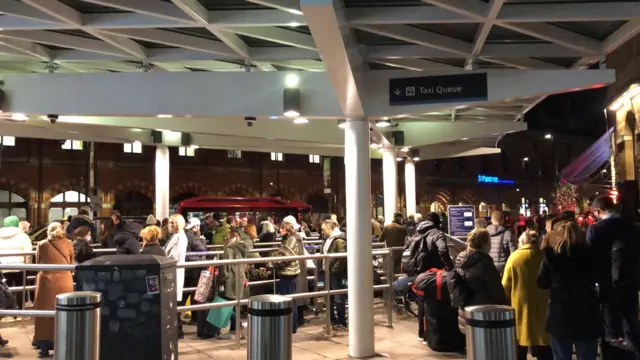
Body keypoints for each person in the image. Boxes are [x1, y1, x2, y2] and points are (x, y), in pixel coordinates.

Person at [538, 220, 601, 360]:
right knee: (587, 355)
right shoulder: (590, 254)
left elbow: (542, 282)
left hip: (560, 313)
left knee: (561, 356)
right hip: (587, 312)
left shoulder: (552, 256)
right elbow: (598, 276)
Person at [587, 195, 640, 352]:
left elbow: (591, 258)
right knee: (631, 325)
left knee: (612, 333)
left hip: (607, 285)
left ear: (597, 211)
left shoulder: (596, 229)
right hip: (630, 282)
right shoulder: (632, 226)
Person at [502, 230, 552, 360]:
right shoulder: (545, 256)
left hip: (520, 307)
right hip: (544, 306)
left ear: (523, 242)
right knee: (544, 344)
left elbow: (506, 285)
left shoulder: (514, 258)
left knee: (520, 344)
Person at [453, 229, 508, 332]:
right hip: (482, 314)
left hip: (465, 310)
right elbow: (496, 291)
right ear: (485, 243)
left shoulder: (461, 258)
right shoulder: (485, 263)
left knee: (472, 343)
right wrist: (506, 306)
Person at [34, 222, 74, 358]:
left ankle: (44, 347)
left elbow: (38, 262)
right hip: (65, 281)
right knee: (63, 312)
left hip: (46, 282)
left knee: (45, 314)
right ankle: (62, 344)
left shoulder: (42, 244)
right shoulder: (69, 243)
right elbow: (71, 262)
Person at [217, 230, 249, 340]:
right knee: (235, 304)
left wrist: (220, 280)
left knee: (228, 304)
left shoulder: (229, 248)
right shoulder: (241, 248)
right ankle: (236, 328)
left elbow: (226, 267)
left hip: (230, 279)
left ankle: (236, 327)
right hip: (239, 278)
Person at [273, 221, 302, 334]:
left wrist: (273, 263)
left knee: (289, 300)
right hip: (287, 272)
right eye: (280, 228)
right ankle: (289, 325)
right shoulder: (287, 239)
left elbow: (286, 256)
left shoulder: (291, 239)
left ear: (288, 229)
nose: (280, 230)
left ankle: (291, 326)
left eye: (283, 228)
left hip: (289, 273)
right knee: (288, 299)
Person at [0, 216, 33, 312]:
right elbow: (28, 251)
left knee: (6, 288)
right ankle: (20, 311)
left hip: (3, 266)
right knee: (20, 288)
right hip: (20, 266)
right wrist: (28, 265)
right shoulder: (22, 236)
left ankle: (8, 311)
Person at [165, 214, 188, 339]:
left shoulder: (180, 237)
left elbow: (174, 256)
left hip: (174, 271)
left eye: (173, 223)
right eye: (169, 222)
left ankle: (178, 331)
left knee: (174, 303)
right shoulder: (176, 236)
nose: (170, 225)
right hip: (173, 271)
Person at [322, 220, 347, 330]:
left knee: (338, 298)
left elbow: (341, 258)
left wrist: (333, 270)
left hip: (335, 274)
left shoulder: (338, 240)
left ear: (329, 228)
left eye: (323, 229)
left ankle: (341, 321)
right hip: (330, 272)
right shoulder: (330, 239)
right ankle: (333, 320)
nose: (322, 232)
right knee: (331, 297)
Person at [486, 211, 518, 275]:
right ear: (502, 220)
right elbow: (513, 253)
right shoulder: (507, 234)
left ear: (491, 220)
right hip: (504, 267)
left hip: (489, 266)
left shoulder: (485, 233)